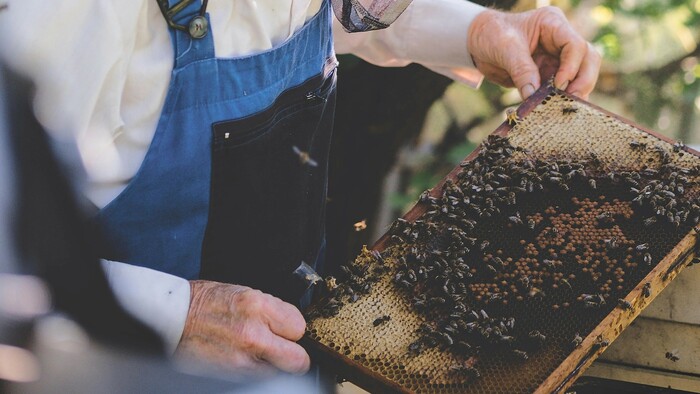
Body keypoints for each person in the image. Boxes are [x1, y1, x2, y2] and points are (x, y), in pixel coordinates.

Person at [0, 0, 600, 376]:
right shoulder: (72, 14)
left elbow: (326, 14)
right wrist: (176, 315)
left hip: (280, 359)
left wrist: (475, 28)